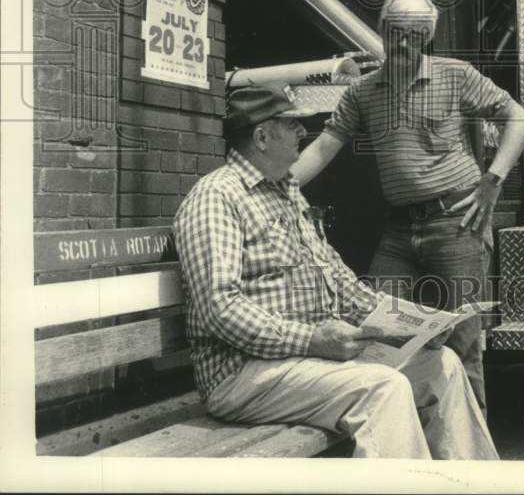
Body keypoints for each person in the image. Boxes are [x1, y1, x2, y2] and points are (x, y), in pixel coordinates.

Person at [173, 84, 498, 460]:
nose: (301, 132)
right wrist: (311, 339)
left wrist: (412, 328)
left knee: (443, 366)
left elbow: (341, 283)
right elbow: (220, 307)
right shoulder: (217, 197)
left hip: (305, 362)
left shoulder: (286, 192)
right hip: (243, 375)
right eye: (291, 124)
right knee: (382, 388)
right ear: (262, 136)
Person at [292, 0, 524, 414]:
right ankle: (408, 439)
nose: (404, 45)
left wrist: (492, 181)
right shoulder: (362, 92)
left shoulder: (455, 75)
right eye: (395, 34)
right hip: (400, 230)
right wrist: (271, 184)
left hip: (457, 224)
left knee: (462, 341)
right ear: (383, 31)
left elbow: (519, 116)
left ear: (427, 37)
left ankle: (470, 465)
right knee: (381, 329)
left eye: (415, 36)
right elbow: (324, 147)